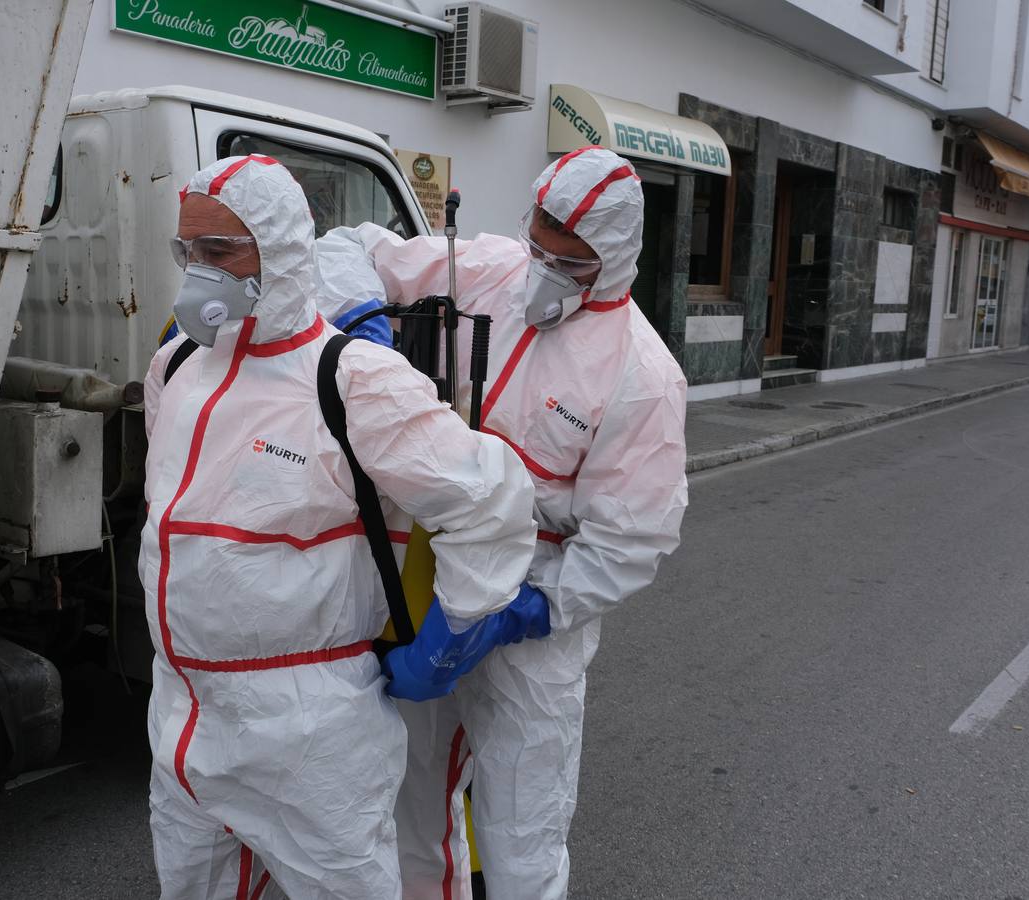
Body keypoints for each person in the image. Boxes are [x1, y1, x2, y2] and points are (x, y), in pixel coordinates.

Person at [139, 154, 539, 900]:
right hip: (185, 720)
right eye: (186, 250)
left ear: (283, 251)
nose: (198, 270)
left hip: (309, 731)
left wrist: (451, 629)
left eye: (219, 251)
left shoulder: (352, 379)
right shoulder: (176, 368)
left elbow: (488, 500)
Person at [327, 146, 689, 899]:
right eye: (540, 247)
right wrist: (363, 317)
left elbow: (633, 538)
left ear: (617, 259)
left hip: (530, 622)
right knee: (411, 804)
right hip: (422, 579)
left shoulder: (642, 377)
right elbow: (350, 247)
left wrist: (529, 611)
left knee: (523, 835)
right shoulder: (485, 269)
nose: (546, 272)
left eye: (573, 263)